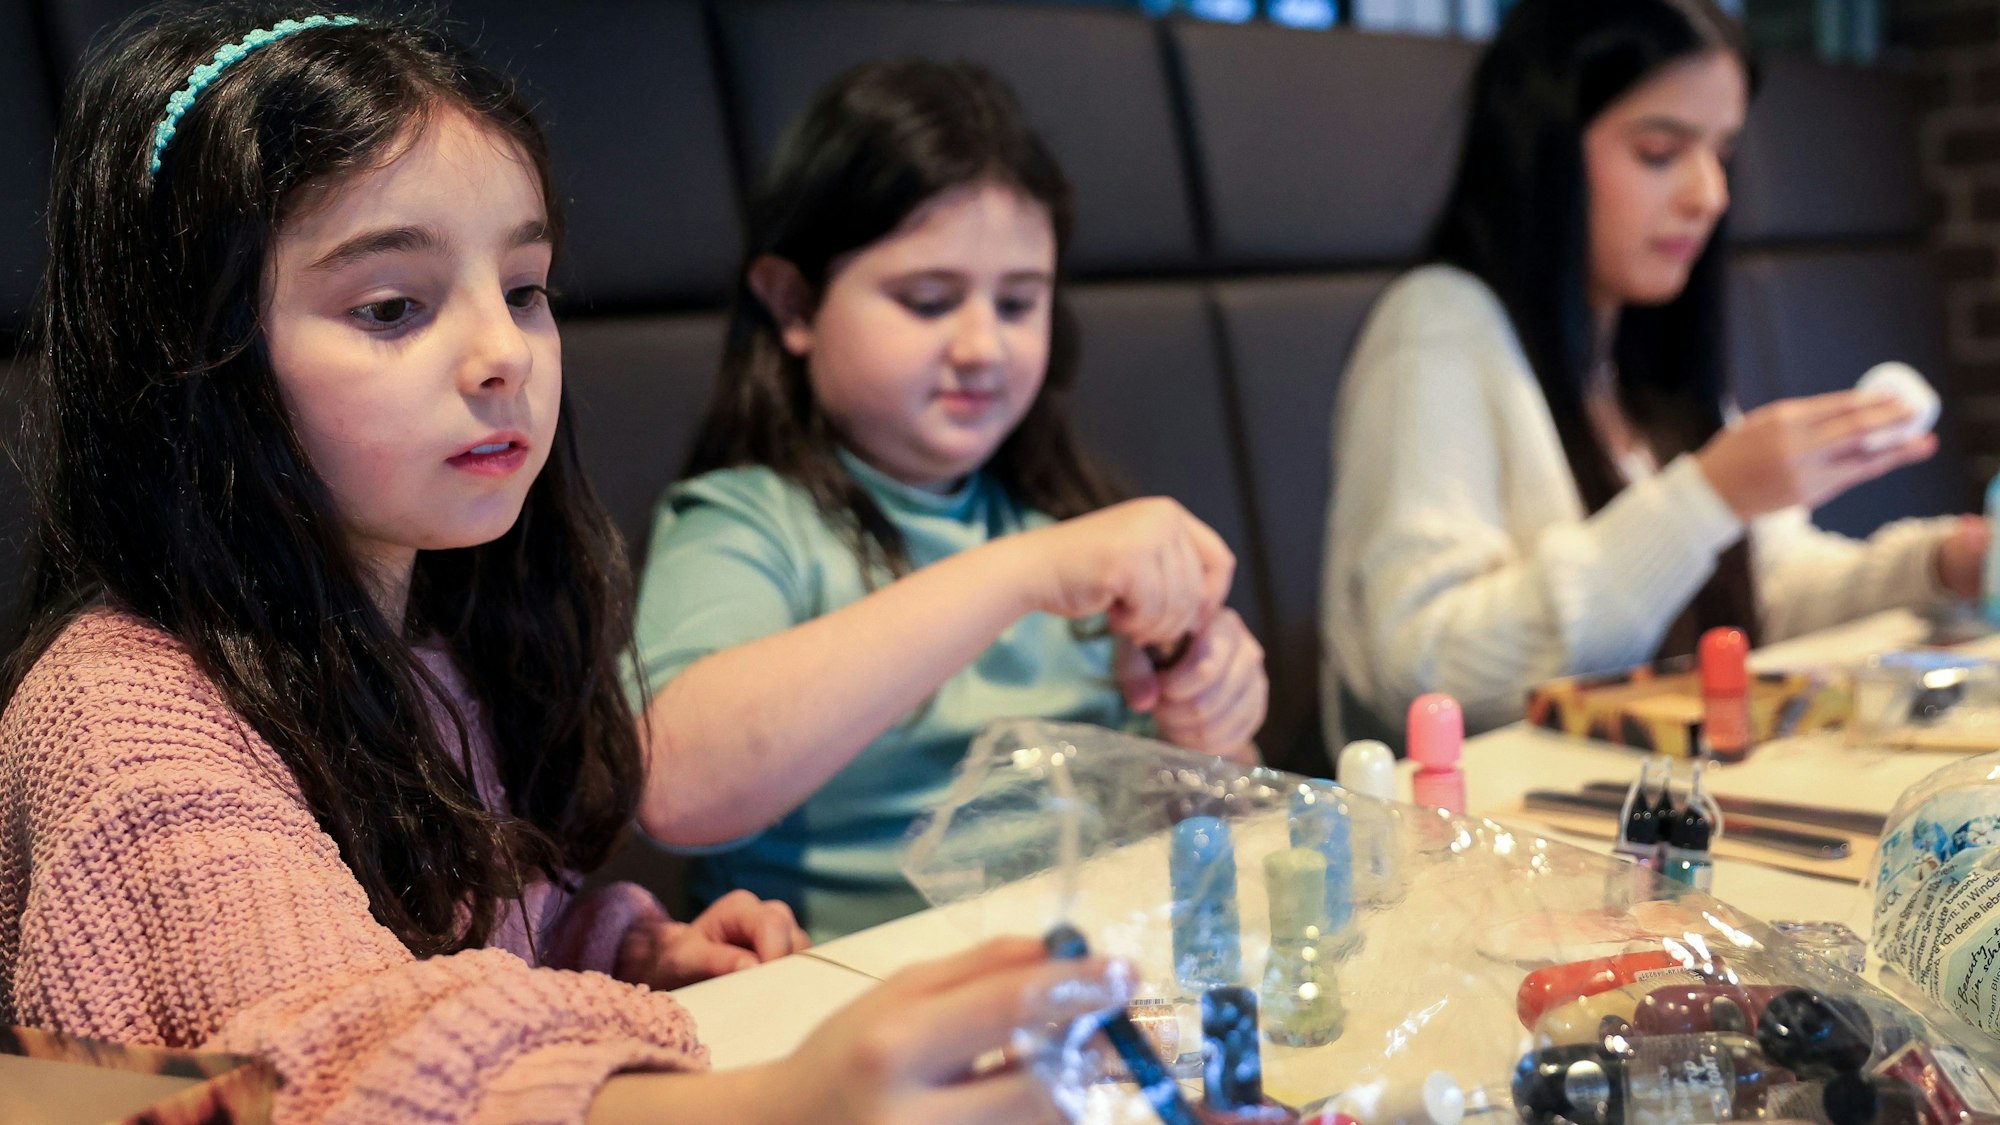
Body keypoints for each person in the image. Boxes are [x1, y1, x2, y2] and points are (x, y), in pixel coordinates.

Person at [0, 9, 1124, 1122]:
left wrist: (627, 949)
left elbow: (471, 930)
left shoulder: (427, 633)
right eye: (394, 306)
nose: (503, 355)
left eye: (526, 290)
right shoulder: (120, 716)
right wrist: (782, 1105)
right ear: (193, 360)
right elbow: (325, 1062)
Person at [630, 59, 1267, 939]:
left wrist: (1215, 718)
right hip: (838, 1003)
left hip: (1085, 986)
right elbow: (672, 784)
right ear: (793, 302)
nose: (982, 347)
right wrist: (1021, 574)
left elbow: (1207, 824)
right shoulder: (748, 521)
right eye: (929, 300)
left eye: (1017, 303)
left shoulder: (1066, 519)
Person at [1321, 0, 1988, 739]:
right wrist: (1709, 495)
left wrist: (1943, 564)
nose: (1710, 196)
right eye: (1660, 152)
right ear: (1541, 149)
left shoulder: (1637, 342)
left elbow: (1765, 592)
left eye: (1723, 153)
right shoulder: (1438, 325)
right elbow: (1422, 672)